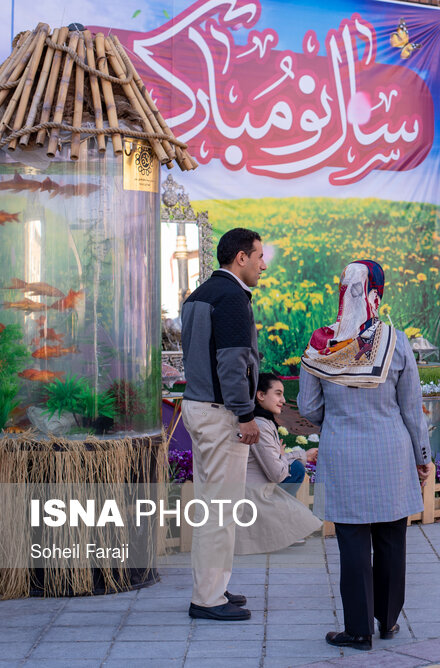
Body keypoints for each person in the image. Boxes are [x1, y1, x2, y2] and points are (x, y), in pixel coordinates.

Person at [298, 260, 433, 651]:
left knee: (352, 543)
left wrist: (339, 416)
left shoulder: (322, 343)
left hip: (343, 454)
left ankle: (358, 631)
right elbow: (412, 409)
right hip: (391, 452)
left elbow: (308, 407)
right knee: (392, 538)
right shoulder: (396, 341)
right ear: (378, 292)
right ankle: (388, 621)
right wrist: (423, 455)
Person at [180, 227, 267, 621]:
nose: (263, 265)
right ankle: (208, 598)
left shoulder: (199, 294)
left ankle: (212, 585)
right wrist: (246, 415)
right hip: (220, 414)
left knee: (211, 506)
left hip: (198, 407)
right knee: (219, 510)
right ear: (241, 258)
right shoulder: (232, 297)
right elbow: (232, 363)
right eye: (259, 256)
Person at [235, 373, 322, 556]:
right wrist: (292, 456)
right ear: (260, 395)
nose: (283, 400)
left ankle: (280, 524)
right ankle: (277, 526)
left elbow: (275, 461)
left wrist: (292, 456)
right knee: (296, 468)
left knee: (295, 466)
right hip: (253, 496)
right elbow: (277, 473)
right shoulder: (259, 425)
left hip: (253, 490)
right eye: (278, 393)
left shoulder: (263, 422)